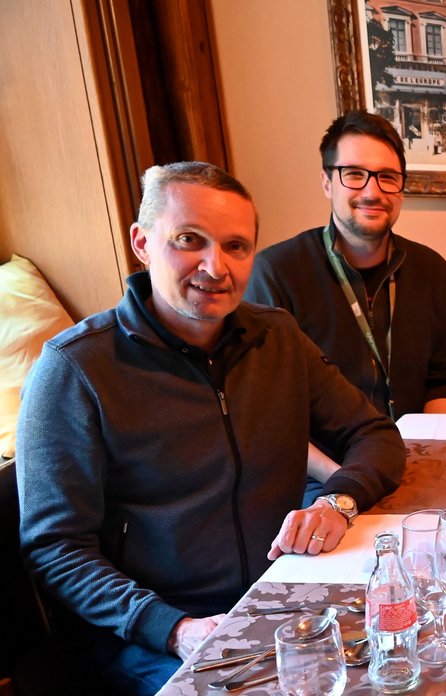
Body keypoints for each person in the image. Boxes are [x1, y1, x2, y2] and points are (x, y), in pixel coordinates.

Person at [16, 162, 406, 695]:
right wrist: (173, 629)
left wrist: (337, 501)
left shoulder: (278, 338)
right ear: (143, 242)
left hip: (281, 594)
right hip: (151, 632)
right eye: (188, 240)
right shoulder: (75, 369)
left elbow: (376, 435)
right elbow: (55, 547)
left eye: (236, 246)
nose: (214, 266)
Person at [245, 111, 446, 489]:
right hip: (321, 475)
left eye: (387, 177)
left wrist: (424, 453)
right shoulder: (276, 272)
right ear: (327, 182)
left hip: (417, 464)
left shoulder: (431, 269)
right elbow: (267, 410)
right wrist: (351, 479)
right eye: (354, 174)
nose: (372, 191)